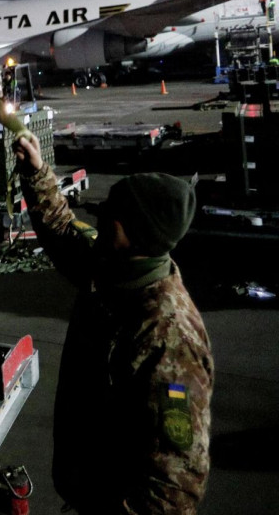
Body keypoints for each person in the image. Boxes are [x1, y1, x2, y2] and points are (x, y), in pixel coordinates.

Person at [13, 132, 213, 513]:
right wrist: (37, 171)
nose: (102, 217)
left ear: (137, 236)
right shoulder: (114, 268)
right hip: (86, 494)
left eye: (114, 216)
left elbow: (175, 485)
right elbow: (64, 232)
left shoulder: (168, 336)